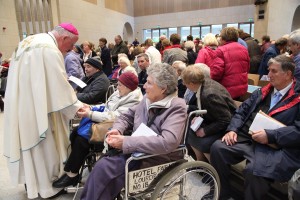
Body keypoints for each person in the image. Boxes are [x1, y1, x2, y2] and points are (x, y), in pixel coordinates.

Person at [80, 63, 187, 200]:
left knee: (104, 169)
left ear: (163, 89)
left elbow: (168, 142)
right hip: (138, 149)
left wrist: (126, 141)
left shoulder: (176, 107)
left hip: (155, 157)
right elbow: (126, 116)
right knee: (102, 165)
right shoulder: (148, 99)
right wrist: (117, 130)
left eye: (149, 83)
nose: (144, 86)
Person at [3, 23, 84, 199]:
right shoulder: (49, 49)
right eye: (69, 46)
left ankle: (31, 184)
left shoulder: (26, 42)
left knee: (28, 142)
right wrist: (78, 107)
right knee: (46, 147)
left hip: (21, 104)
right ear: (63, 38)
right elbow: (59, 85)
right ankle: (47, 187)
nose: (69, 51)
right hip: (41, 108)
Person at [210, 55, 300, 200]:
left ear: (288, 74)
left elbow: (298, 130)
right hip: (249, 137)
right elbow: (241, 111)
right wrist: (232, 130)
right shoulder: (263, 91)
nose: (268, 75)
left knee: (254, 170)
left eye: (274, 71)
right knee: (218, 147)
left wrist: (271, 135)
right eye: (268, 70)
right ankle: (224, 194)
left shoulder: (297, 96)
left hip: (277, 146)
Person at [52, 72, 143, 188]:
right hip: (105, 123)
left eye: (119, 85)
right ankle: (72, 165)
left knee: (82, 140)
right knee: (75, 133)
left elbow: (114, 117)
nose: (117, 87)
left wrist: (90, 114)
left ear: (128, 87)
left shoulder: (133, 101)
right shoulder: (121, 93)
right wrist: (90, 108)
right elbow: (106, 106)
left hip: (117, 128)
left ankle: (72, 174)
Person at [181, 65, 236, 162]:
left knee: (204, 143)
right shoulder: (204, 83)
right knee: (189, 131)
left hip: (229, 125)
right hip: (214, 119)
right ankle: (200, 161)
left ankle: (213, 168)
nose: (185, 85)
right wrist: (198, 116)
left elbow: (226, 119)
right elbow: (208, 109)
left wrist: (205, 131)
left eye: (185, 83)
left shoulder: (209, 95)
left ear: (192, 83)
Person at [213, 27, 250, 99]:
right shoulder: (244, 49)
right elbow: (247, 68)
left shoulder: (220, 50)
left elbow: (217, 73)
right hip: (241, 89)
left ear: (223, 38)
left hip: (226, 90)